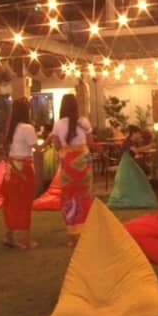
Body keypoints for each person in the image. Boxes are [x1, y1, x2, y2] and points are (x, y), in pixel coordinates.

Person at [47, 94, 93, 246]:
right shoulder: (84, 121)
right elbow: (90, 142)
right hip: (84, 160)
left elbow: (56, 145)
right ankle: (86, 233)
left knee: (69, 197)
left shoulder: (59, 124)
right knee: (85, 196)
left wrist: (67, 149)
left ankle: (72, 236)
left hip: (68, 162)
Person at [1, 96, 39, 250]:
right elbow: (37, 148)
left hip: (11, 170)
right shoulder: (27, 128)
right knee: (24, 203)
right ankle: (24, 240)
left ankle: (9, 236)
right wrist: (49, 140)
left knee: (11, 203)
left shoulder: (12, 128)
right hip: (24, 168)